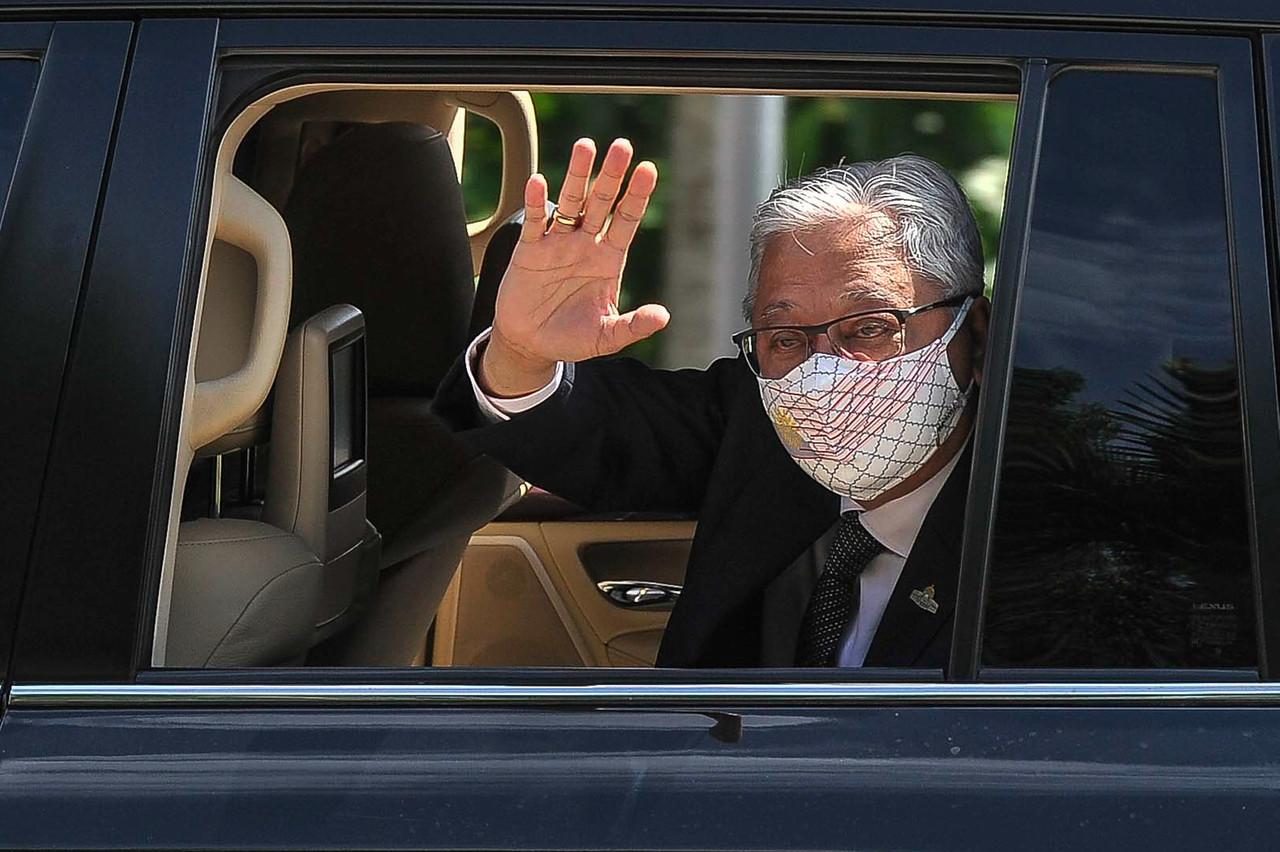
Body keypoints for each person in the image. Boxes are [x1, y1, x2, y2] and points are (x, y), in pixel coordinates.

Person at [433, 137, 991, 668]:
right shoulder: (769, 425)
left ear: (978, 335)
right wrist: (522, 354)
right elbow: (600, 431)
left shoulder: (1045, 519)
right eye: (786, 338)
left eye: (870, 327)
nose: (825, 374)